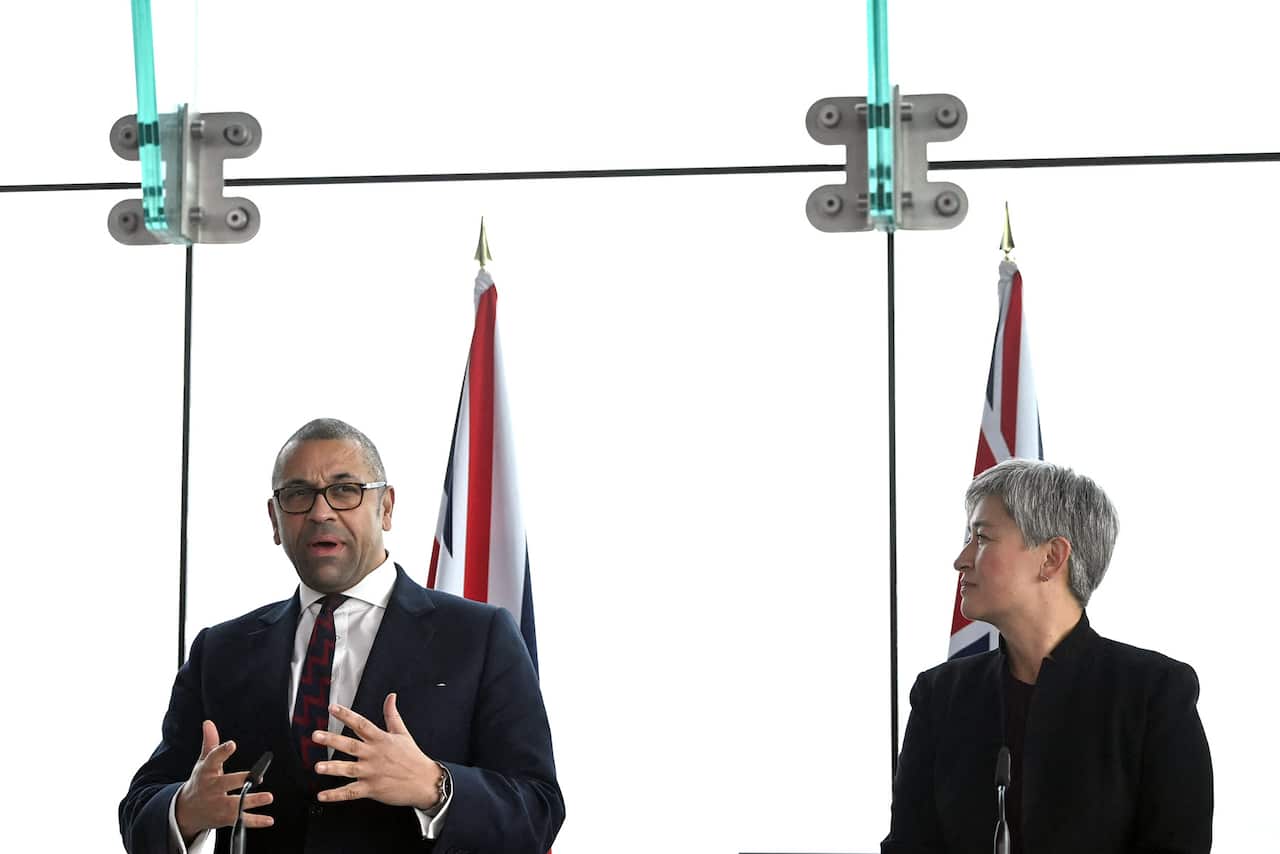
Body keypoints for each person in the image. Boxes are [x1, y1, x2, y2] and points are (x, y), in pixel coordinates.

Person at [120, 418, 564, 853]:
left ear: (386, 507)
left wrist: (435, 786)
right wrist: (186, 810)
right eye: (298, 495)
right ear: (275, 520)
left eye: (345, 490)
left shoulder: (480, 636)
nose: (320, 511)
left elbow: (538, 811)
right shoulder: (220, 651)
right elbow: (140, 808)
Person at [882, 459, 1212, 854]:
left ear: (1052, 557)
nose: (962, 559)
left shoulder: (1155, 694)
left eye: (982, 538)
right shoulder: (939, 695)